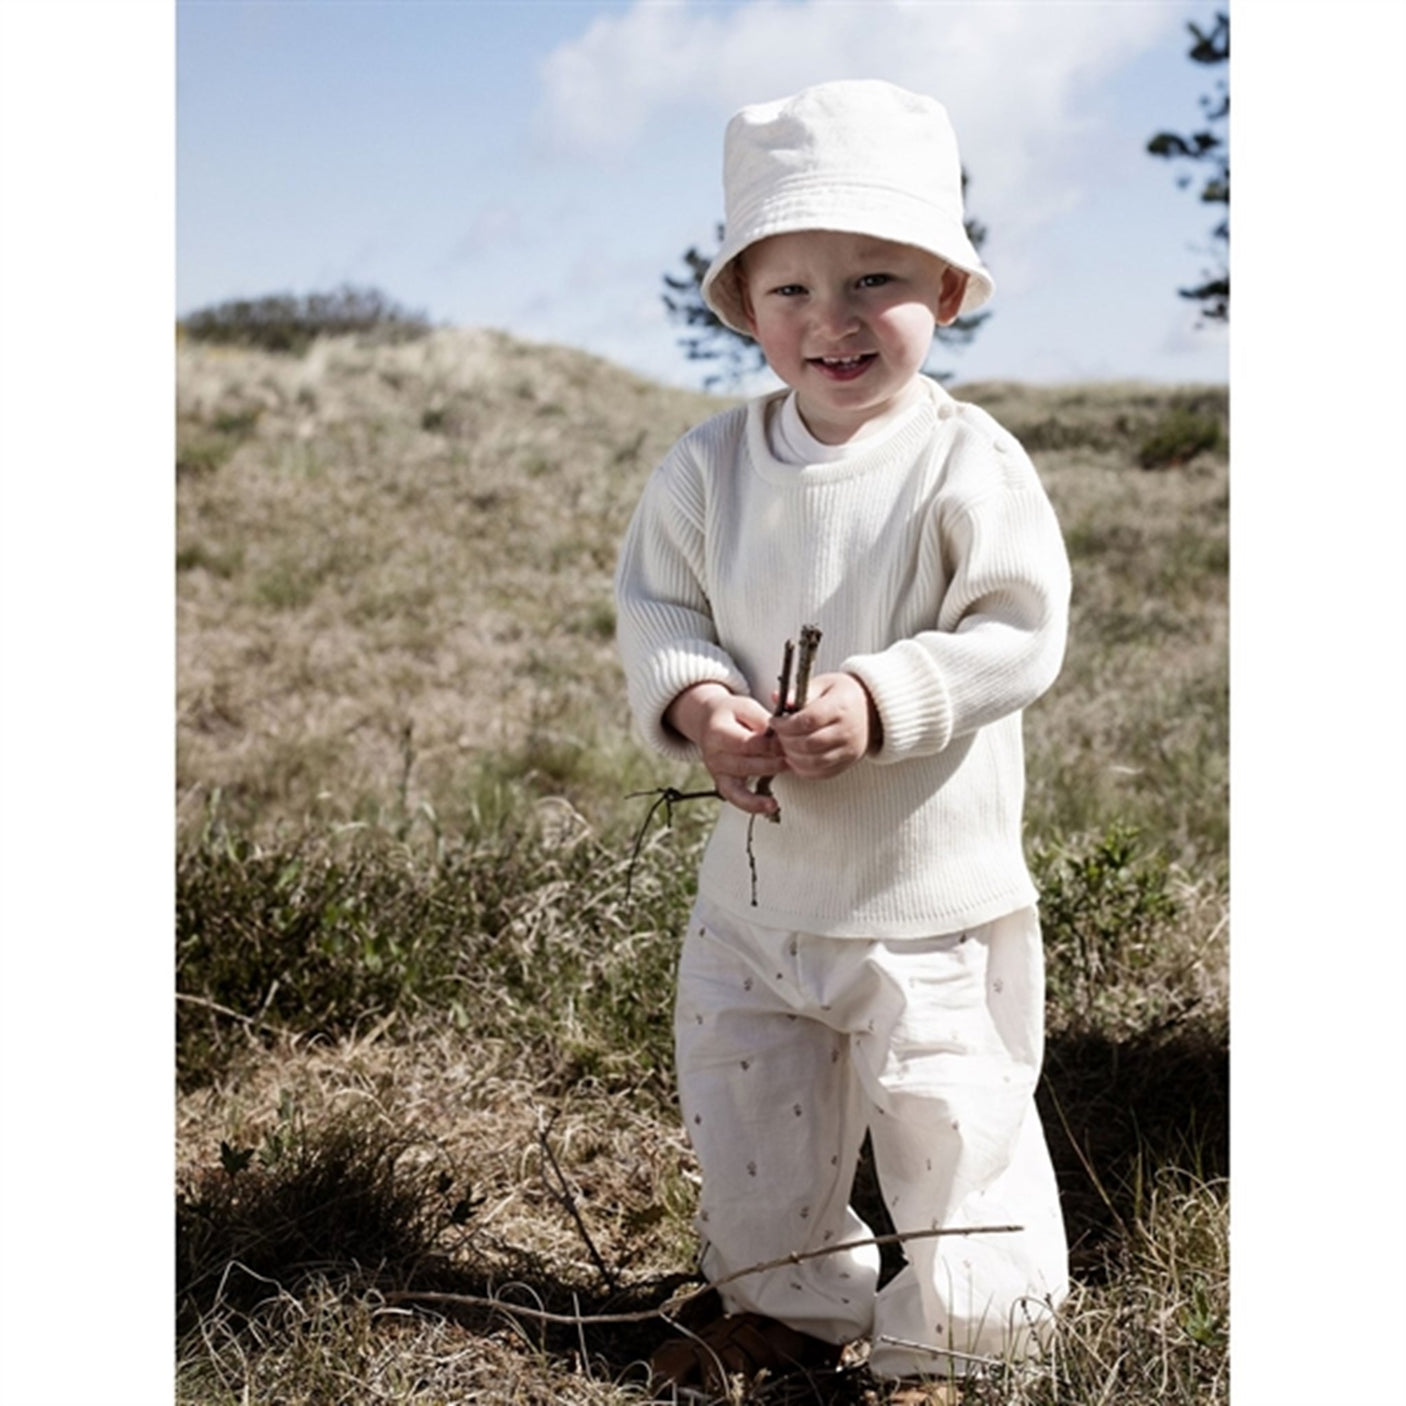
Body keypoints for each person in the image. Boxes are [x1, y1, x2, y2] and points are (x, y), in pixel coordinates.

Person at [614, 79, 1071, 1405]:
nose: (833, 321)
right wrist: (702, 707)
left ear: (944, 281)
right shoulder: (709, 467)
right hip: (756, 892)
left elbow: (1013, 628)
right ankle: (787, 1301)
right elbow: (660, 610)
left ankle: (964, 1347)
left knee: (949, 1119)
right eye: (791, 289)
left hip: (920, 892)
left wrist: (881, 698)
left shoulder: (963, 462)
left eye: (875, 277)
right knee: (752, 1105)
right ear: (744, 305)